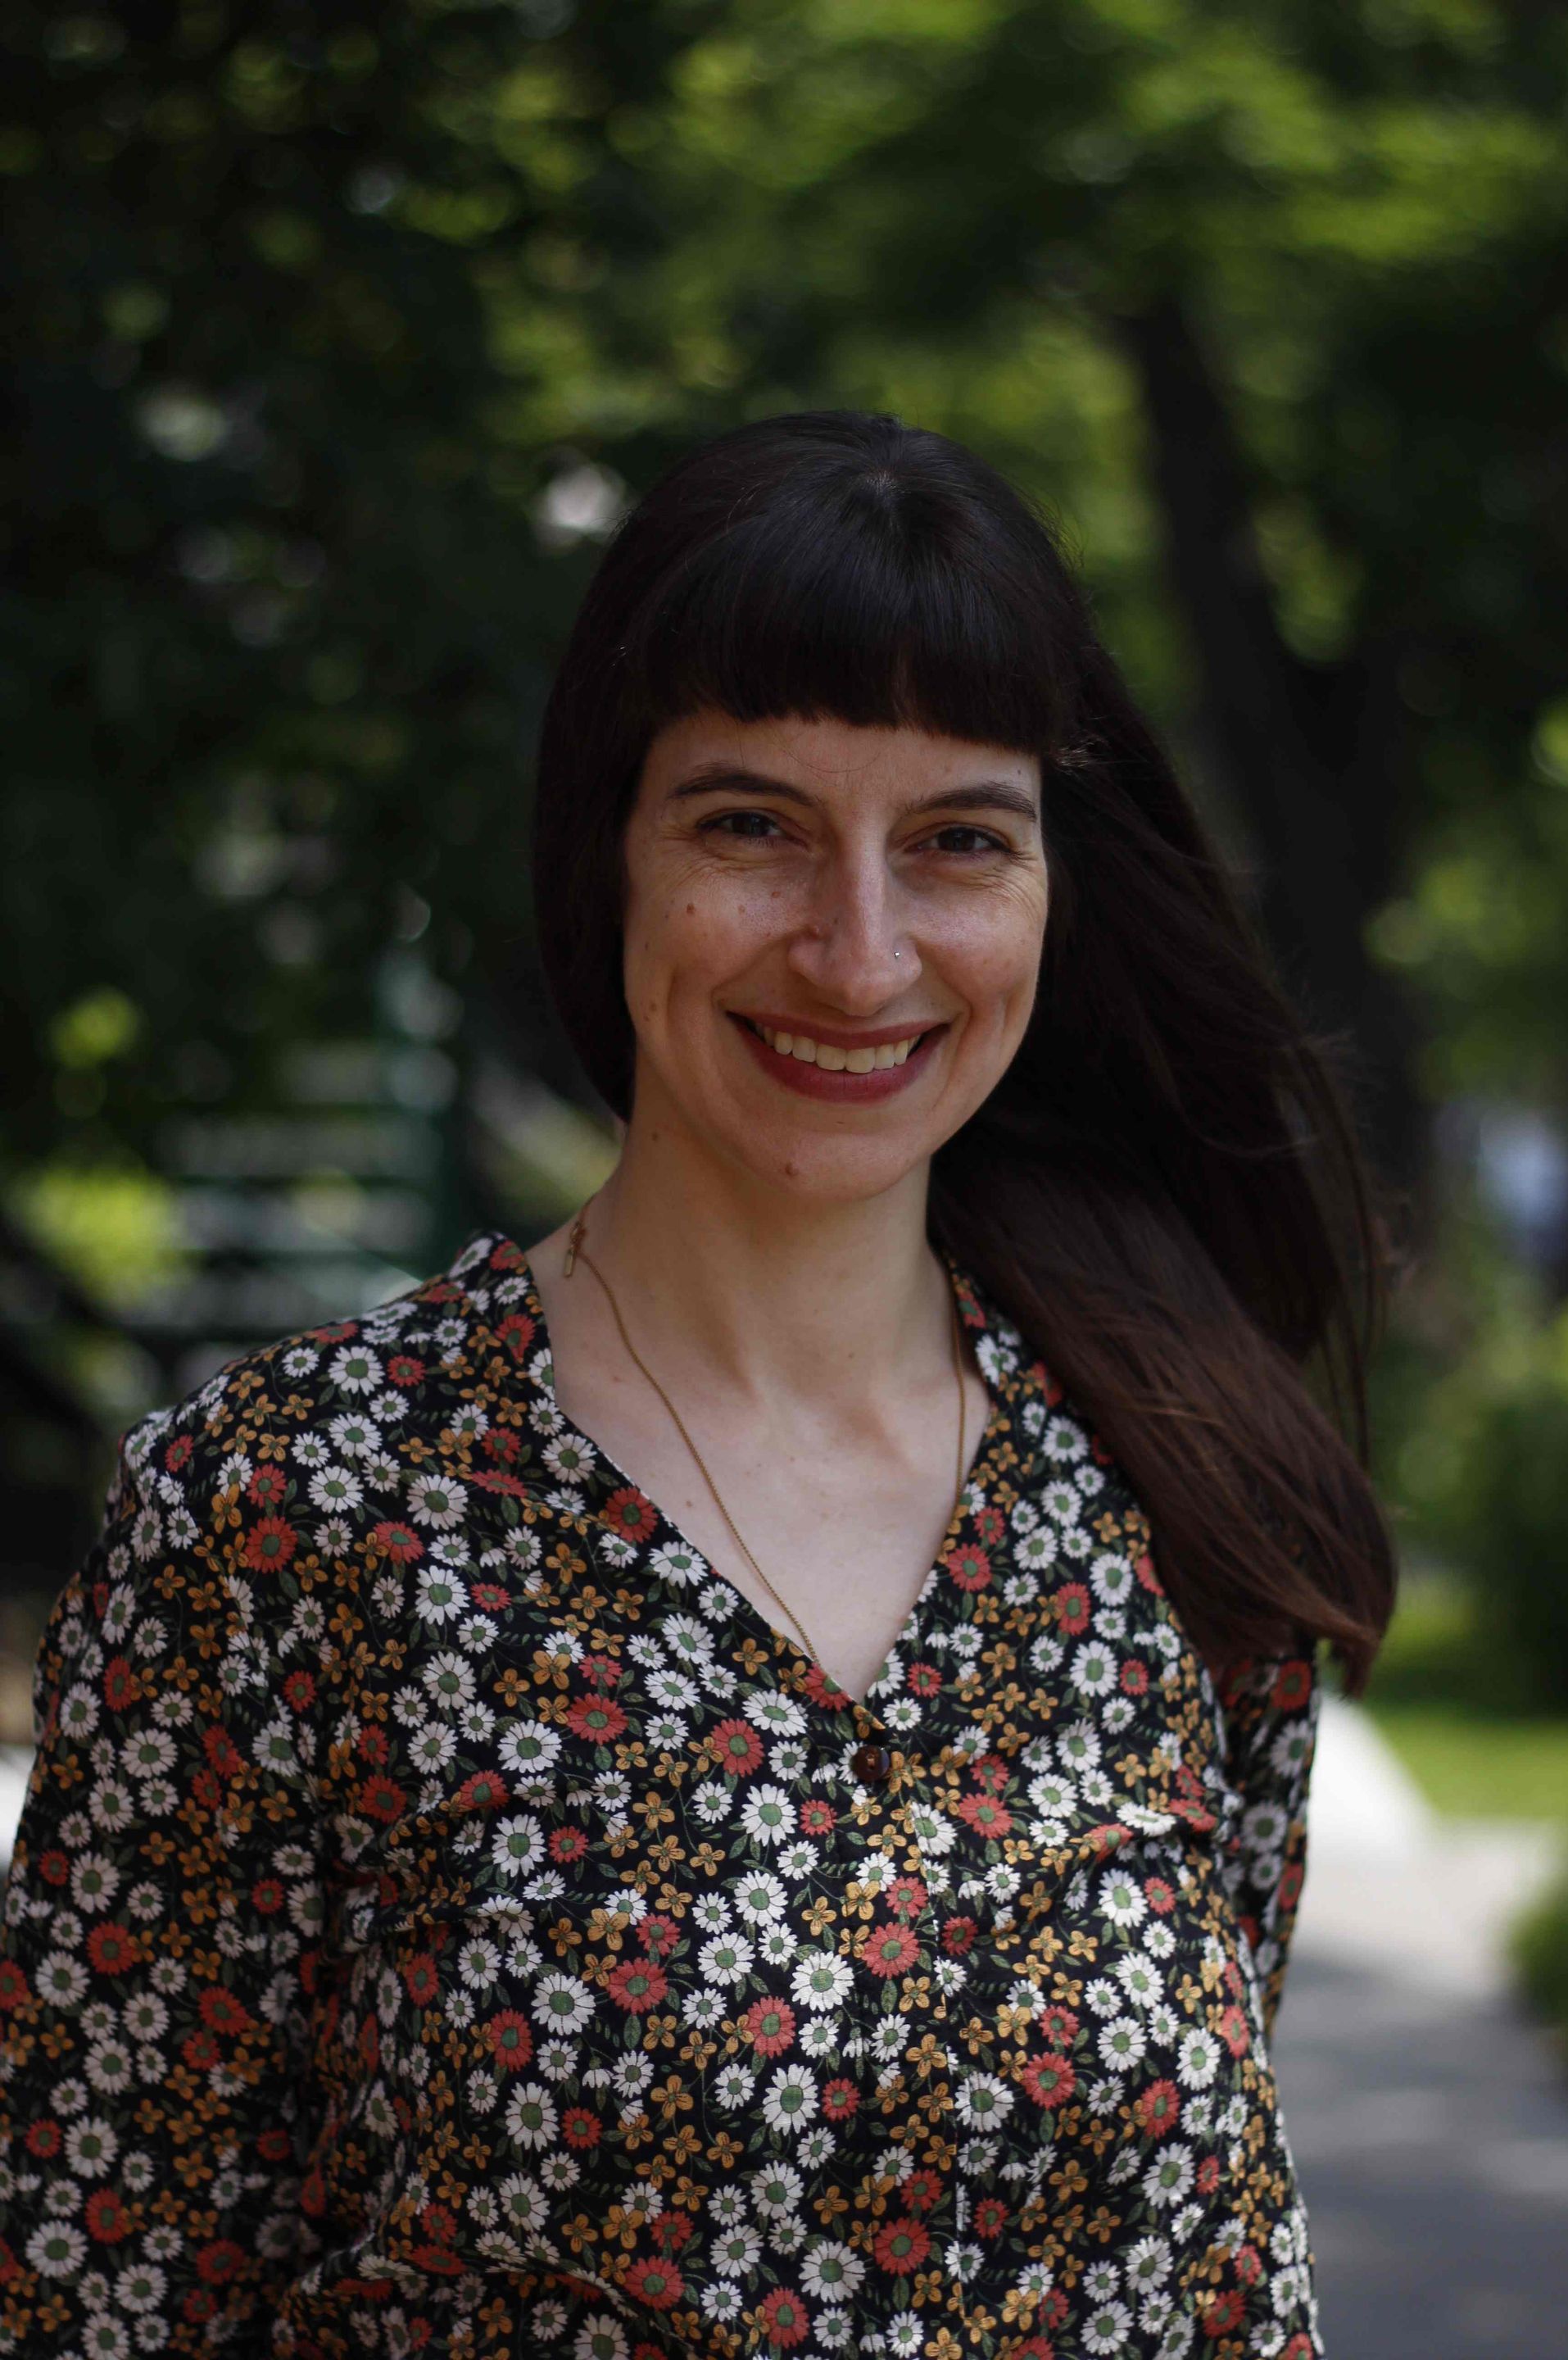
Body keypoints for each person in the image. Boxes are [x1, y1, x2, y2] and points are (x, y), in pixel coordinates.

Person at [0, 411, 1394, 2359]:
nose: (860, 948)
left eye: (959, 841)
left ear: (1052, 890)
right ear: (612, 853)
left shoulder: (1185, 1495)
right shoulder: (286, 1515)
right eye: (753, 825)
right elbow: (98, 2290)